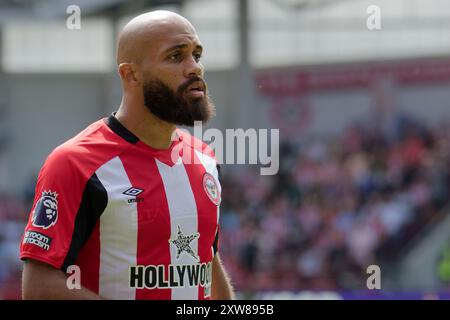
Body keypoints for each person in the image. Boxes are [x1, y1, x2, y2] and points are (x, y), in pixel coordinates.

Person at [20, 10, 234, 300]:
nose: (194, 67)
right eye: (175, 56)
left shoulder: (205, 159)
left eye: (197, 55)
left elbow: (207, 259)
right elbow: (39, 287)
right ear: (130, 74)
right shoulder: (76, 162)